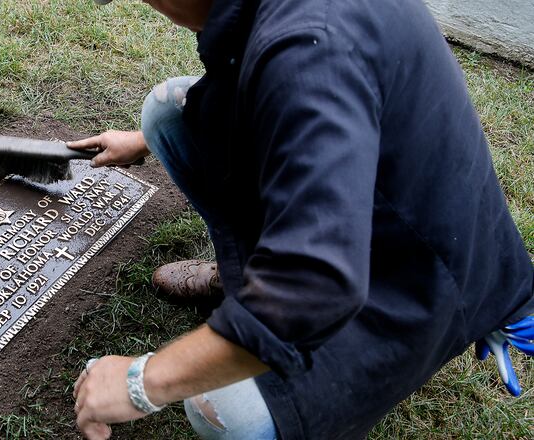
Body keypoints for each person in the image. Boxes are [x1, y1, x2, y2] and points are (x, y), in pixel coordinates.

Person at [67, 0, 534, 439]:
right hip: (367, 204)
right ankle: (248, 282)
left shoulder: (314, 49)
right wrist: (143, 140)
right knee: (169, 113)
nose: (162, 12)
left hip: (414, 276)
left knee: (221, 406)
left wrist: (138, 383)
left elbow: (317, 285)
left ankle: (268, 314)